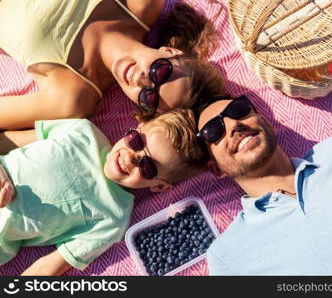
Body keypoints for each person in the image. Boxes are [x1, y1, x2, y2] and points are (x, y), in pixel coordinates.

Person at [195, 95, 332, 275]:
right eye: (214, 131)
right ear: (216, 169)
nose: (234, 124)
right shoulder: (228, 255)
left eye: (239, 109)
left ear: (268, 124)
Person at [0, 109, 207, 275]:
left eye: (148, 167)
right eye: (137, 141)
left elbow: (48, 267)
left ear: (159, 187)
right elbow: (6, 141)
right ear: (136, 128)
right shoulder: (82, 131)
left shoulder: (114, 219)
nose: (131, 157)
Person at [0, 0, 225, 130]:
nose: (142, 80)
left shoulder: (72, 99)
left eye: (149, 97)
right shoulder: (143, 4)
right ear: (170, 52)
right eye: (161, 72)